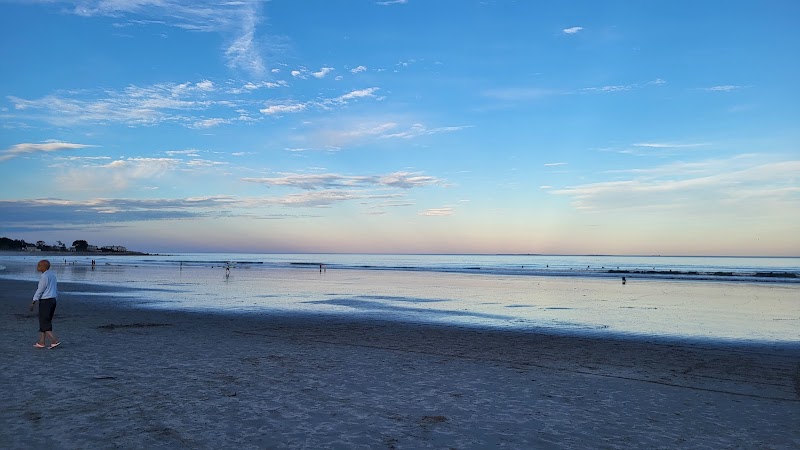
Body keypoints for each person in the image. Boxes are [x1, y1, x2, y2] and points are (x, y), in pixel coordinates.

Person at [30, 259, 60, 349]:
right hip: (53, 300)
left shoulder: (44, 276)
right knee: (46, 321)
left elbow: (40, 290)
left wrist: (33, 301)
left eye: (39, 265)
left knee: (44, 322)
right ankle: (42, 342)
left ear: (44, 266)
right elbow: (55, 289)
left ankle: (54, 340)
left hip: (46, 301)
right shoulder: (52, 275)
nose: (37, 267)